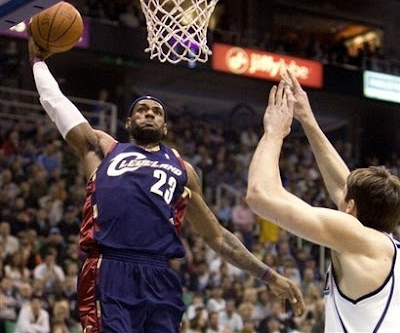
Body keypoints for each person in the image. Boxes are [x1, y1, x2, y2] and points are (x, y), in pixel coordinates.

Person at [27, 32, 304, 332]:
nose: (149, 113)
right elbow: (57, 104)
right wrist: (37, 62)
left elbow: (218, 238)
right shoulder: (105, 150)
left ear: (165, 125)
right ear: (128, 122)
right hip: (110, 268)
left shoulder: (183, 169)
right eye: (141, 110)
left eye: (156, 112)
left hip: (160, 276)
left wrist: (269, 276)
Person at [246, 72, 400, 332]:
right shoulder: (383, 245)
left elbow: (261, 195)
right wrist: (307, 119)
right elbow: (345, 186)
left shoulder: (357, 237)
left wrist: (273, 134)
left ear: (350, 207)